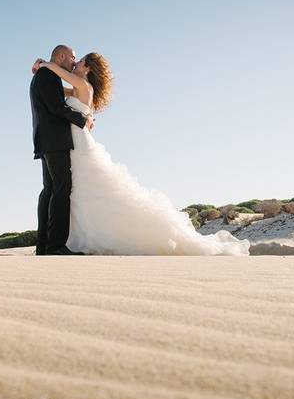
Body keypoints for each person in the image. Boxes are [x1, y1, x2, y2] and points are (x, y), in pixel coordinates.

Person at [31, 51, 250, 256]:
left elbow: (61, 76)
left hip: (76, 143)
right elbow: (62, 92)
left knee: (73, 189)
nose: (74, 64)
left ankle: (62, 242)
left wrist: (44, 64)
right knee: (72, 190)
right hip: (71, 142)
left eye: (79, 62)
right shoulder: (80, 86)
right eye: (73, 59)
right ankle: (64, 240)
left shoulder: (81, 83)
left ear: (87, 69)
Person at [29, 44, 95, 255]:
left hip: (46, 140)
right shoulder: (47, 75)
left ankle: (43, 246)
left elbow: (61, 98)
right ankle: (55, 245)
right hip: (55, 140)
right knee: (60, 189)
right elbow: (56, 107)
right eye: (72, 58)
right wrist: (82, 119)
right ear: (61, 56)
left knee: (49, 190)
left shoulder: (46, 75)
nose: (74, 62)